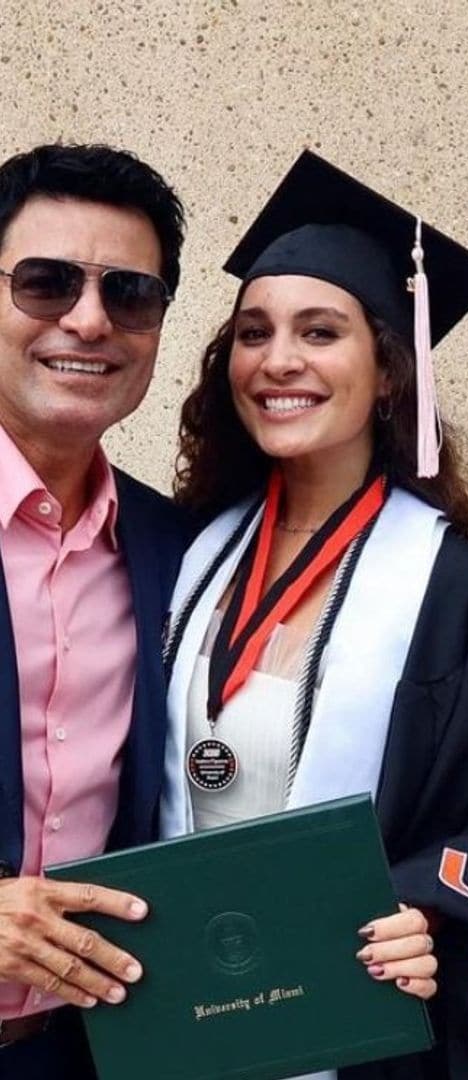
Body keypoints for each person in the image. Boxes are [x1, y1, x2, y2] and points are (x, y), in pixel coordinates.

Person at [161, 151, 468, 1080]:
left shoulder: (447, 585)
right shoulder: (188, 552)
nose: (279, 361)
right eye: (254, 332)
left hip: (342, 1020)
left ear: (390, 370)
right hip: (172, 1010)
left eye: (321, 332)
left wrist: (422, 911)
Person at [0, 143, 189, 1077]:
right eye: (45, 283)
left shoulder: (178, 549)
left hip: (93, 1053)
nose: (88, 320)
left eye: (130, 293)